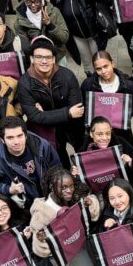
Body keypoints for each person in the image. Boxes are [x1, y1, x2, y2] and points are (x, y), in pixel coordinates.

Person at [17, 38, 85, 169]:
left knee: (83, 157)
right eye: (39, 57)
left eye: (48, 57)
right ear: (31, 59)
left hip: (73, 128)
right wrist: (67, 112)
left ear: (54, 59)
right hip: (48, 132)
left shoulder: (67, 76)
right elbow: (34, 117)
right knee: (60, 164)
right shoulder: (24, 84)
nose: (44, 61)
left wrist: (45, 115)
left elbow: (77, 110)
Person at [30, 166, 100, 266]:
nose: (69, 191)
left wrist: (90, 203)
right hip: (70, 249)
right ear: (52, 187)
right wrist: (43, 239)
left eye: (71, 186)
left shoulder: (74, 195)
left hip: (82, 240)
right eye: (63, 187)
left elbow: (93, 214)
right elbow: (39, 249)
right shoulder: (42, 212)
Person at [0, 116, 61, 208]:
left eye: (20, 136)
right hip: (28, 205)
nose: (16, 142)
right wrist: (8, 189)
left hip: (51, 195)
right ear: (2, 140)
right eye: (10, 138)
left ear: (25, 135)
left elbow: (56, 167)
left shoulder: (41, 145)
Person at [50, 0, 113, 74]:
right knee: (87, 63)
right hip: (76, 37)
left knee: (98, 61)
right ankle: (91, 86)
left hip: (93, 34)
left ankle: (101, 85)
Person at [80, 51, 133, 145]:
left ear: (112, 63)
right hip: (98, 135)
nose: (103, 71)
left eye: (105, 66)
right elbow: (85, 109)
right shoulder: (88, 85)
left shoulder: (128, 85)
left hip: (121, 133)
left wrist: (119, 118)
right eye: (98, 69)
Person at [78, 116, 133, 192]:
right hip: (98, 193)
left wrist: (131, 163)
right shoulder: (82, 153)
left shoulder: (122, 144)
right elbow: (82, 186)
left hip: (126, 190)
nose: (105, 138)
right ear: (91, 134)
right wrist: (77, 175)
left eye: (108, 133)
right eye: (99, 134)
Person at [14, 0, 70, 65]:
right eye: (29, 2)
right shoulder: (20, 22)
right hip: (38, 60)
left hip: (57, 56)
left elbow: (64, 38)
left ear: (42, 1)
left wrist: (50, 25)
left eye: (37, 2)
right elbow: (25, 47)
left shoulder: (54, 12)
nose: (33, 5)